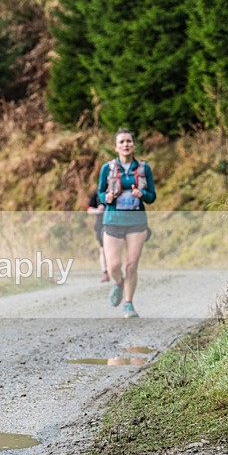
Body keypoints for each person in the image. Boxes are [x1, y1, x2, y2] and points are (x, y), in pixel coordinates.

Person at [98, 128, 156, 318]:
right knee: (113, 265)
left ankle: (129, 304)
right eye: (122, 142)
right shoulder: (107, 168)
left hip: (136, 222)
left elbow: (152, 196)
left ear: (134, 145)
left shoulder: (143, 168)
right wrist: (106, 197)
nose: (126, 145)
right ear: (116, 147)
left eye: (129, 141)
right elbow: (99, 193)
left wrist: (142, 194)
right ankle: (118, 283)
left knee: (131, 265)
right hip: (113, 220)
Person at [86, 189, 109, 282]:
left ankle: (115, 271)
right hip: (100, 223)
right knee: (102, 250)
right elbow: (89, 209)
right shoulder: (96, 192)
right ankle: (105, 272)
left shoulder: (117, 190)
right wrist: (98, 210)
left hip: (114, 222)